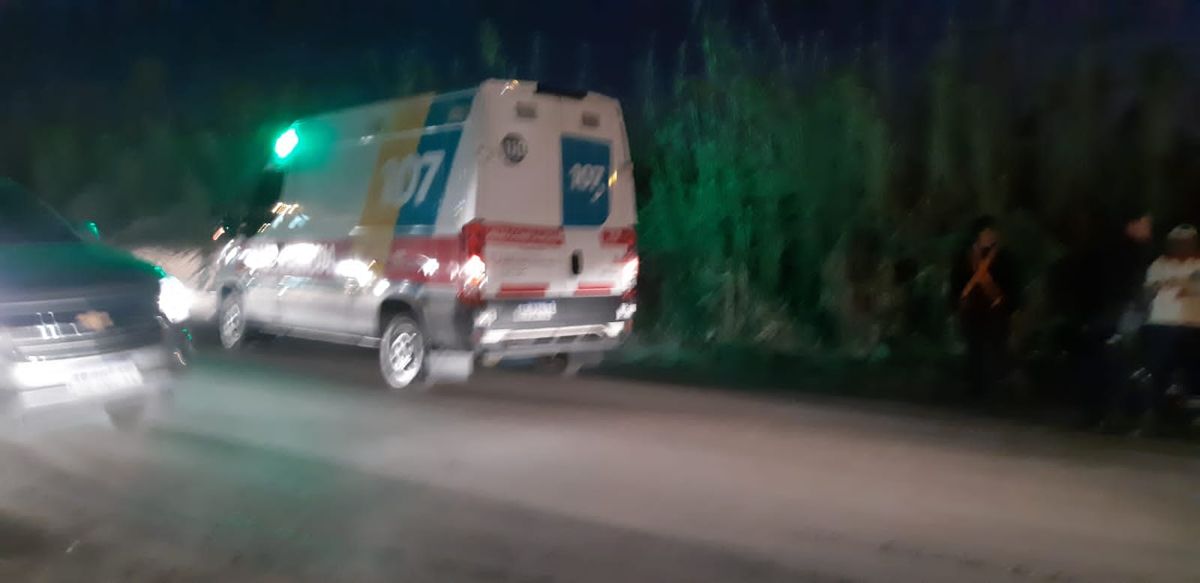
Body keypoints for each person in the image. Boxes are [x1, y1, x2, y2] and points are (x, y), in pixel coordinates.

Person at [1055, 209, 1153, 429]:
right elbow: (1122, 286)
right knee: (1112, 363)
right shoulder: (1124, 252)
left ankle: (1097, 411)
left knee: (1101, 363)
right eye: (1145, 224)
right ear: (1132, 226)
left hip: (1103, 315)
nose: (1148, 230)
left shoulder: (1117, 248)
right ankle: (1107, 412)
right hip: (1112, 315)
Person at [950, 216, 1020, 400]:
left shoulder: (1004, 258)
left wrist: (1012, 308)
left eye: (993, 232)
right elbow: (956, 283)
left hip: (997, 312)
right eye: (987, 232)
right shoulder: (965, 258)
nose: (991, 236)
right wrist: (956, 305)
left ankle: (996, 389)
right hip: (972, 312)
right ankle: (975, 388)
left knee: (998, 350)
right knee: (974, 350)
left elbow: (1012, 284)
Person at [1141, 224, 1200, 432]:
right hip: (1160, 325)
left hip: (1194, 326)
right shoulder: (1159, 265)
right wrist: (1184, 286)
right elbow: (1149, 291)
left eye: (1186, 243)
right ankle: (1156, 411)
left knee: (1193, 364)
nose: (1180, 247)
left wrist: (1178, 286)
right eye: (1176, 243)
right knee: (1159, 363)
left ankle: (1194, 412)